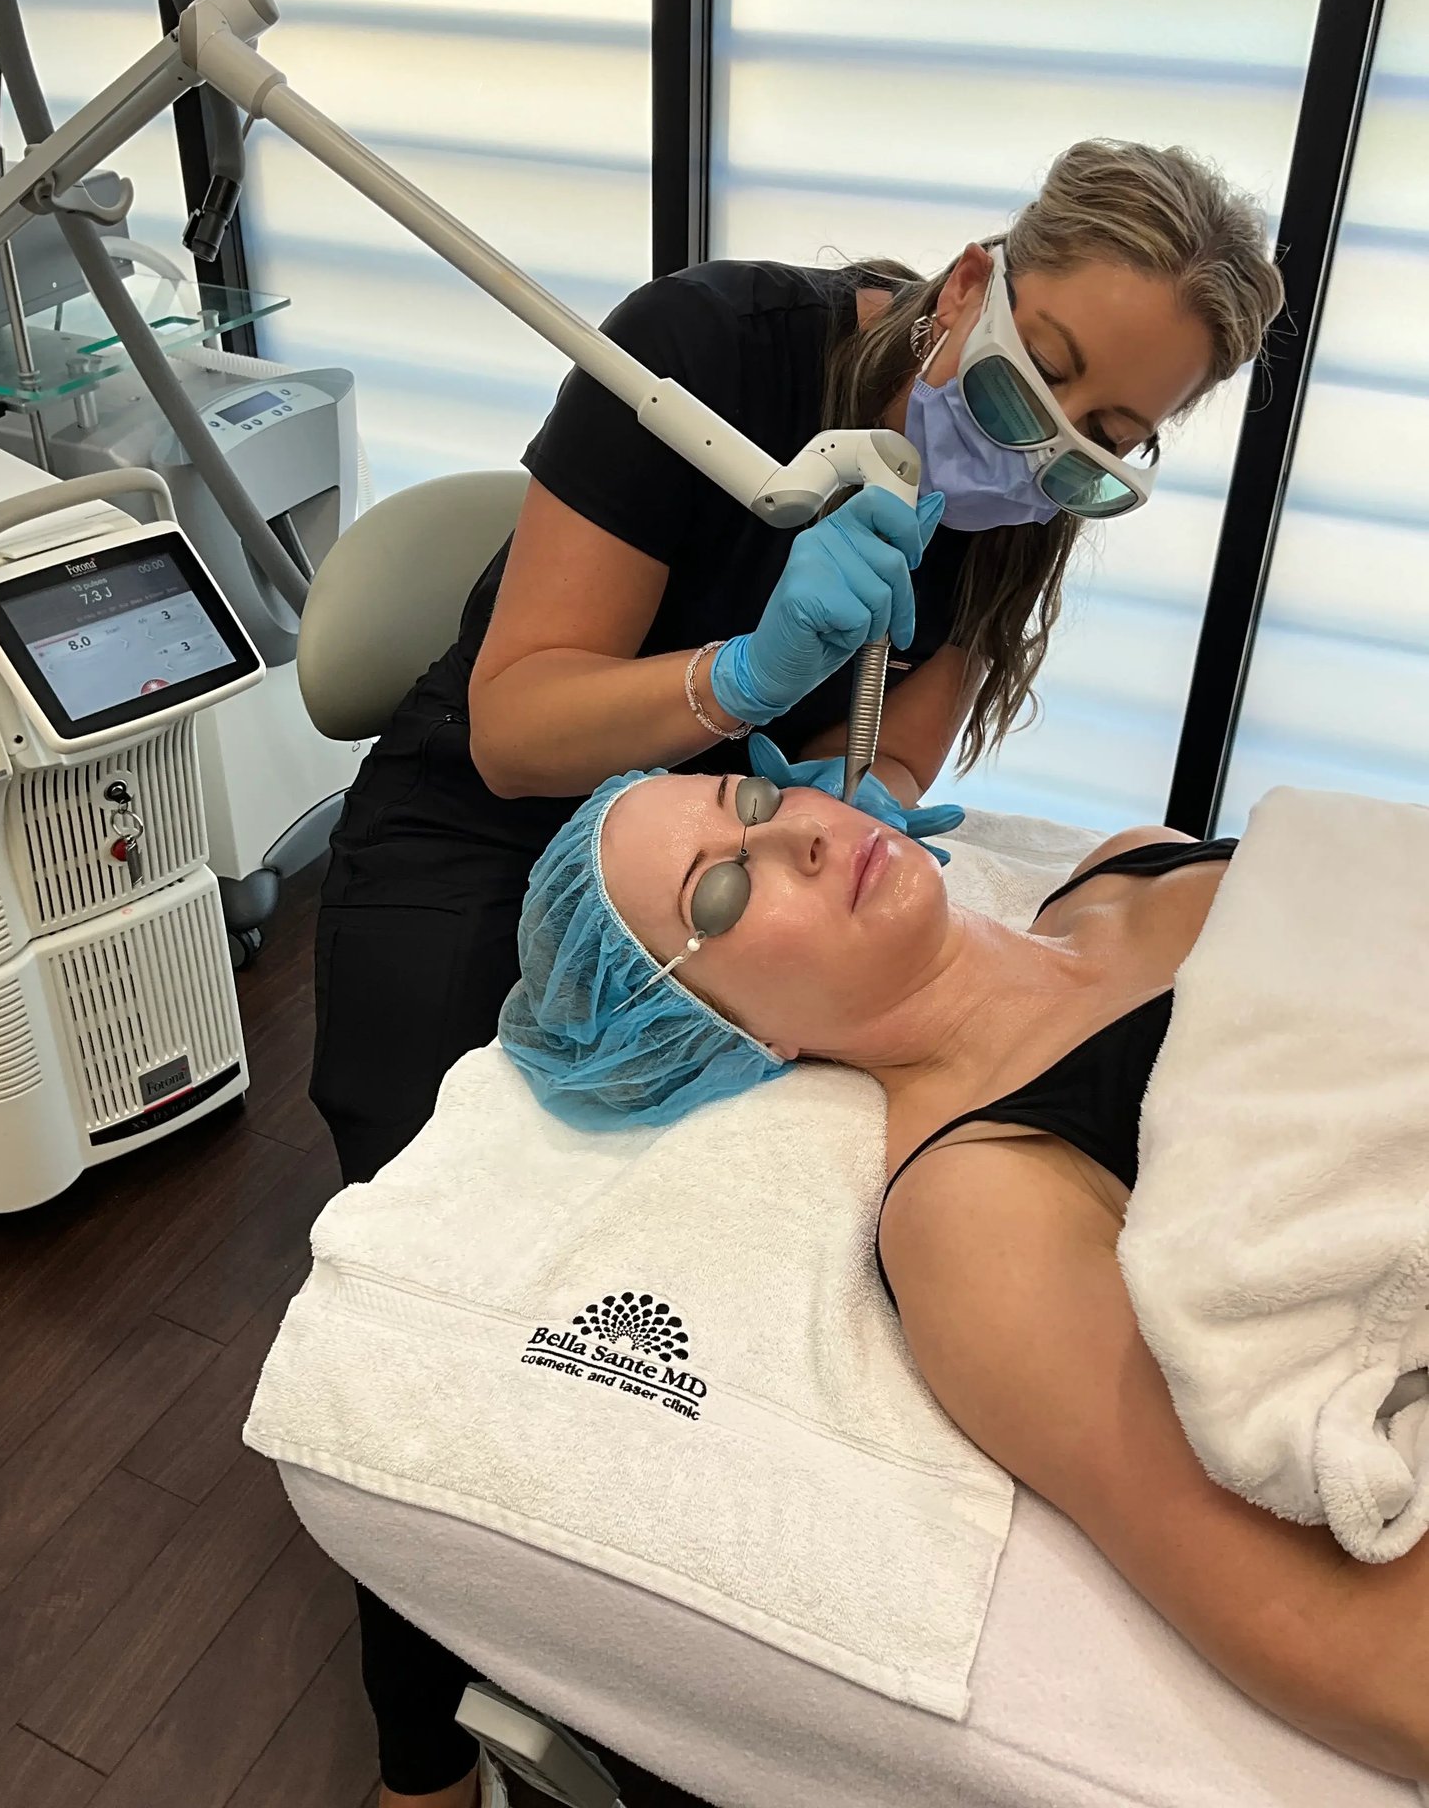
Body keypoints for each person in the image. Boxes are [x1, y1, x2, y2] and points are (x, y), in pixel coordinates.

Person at [312, 138, 1284, 1808]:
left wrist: (859, 820)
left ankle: (642, 1670)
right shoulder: (709, 351)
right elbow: (519, 720)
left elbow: (892, 763)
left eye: (1107, 437)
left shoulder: (1004, 503)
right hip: (491, 817)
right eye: (1040, 374)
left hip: (749, 833)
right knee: (444, 1213)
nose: (1052, 441)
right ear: (973, 279)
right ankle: (419, 1750)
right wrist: (752, 677)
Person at [498, 764, 1429, 1785]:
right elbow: (1340, 1634)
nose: (797, 836)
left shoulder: (1121, 861)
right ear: (735, 1033)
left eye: (753, 801)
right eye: (719, 894)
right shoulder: (972, 1213)